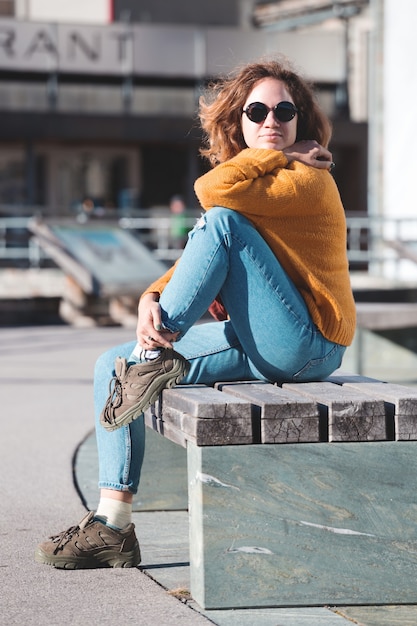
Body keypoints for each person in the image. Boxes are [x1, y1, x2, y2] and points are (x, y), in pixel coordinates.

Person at [35, 57, 356, 569]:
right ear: (239, 122)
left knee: (222, 223)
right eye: (257, 111)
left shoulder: (307, 178)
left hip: (309, 343)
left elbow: (212, 196)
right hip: (264, 339)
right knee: (111, 367)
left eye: (284, 110)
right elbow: (201, 251)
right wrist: (152, 298)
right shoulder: (262, 185)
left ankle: (152, 357)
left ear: (302, 122)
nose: (271, 120)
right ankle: (112, 523)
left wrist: (283, 155)